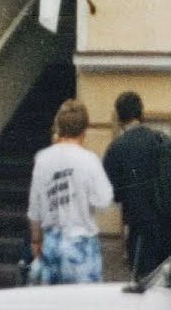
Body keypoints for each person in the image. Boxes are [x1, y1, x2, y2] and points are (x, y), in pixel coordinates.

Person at [27, 98, 112, 285]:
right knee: (84, 301)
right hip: (81, 244)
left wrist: (36, 241)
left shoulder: (43, 159)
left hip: (52, 242)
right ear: (84, 130)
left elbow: (35, 208)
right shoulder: (89, 160)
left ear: (59, 126)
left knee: (52, 300)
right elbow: (104, 200)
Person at [101, 90, 171, 277]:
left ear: (119, 118)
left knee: (145, 284)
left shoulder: (117, 148)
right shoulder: (161, 139)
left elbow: (112, 193)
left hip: (141, 234)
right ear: (141, 113)